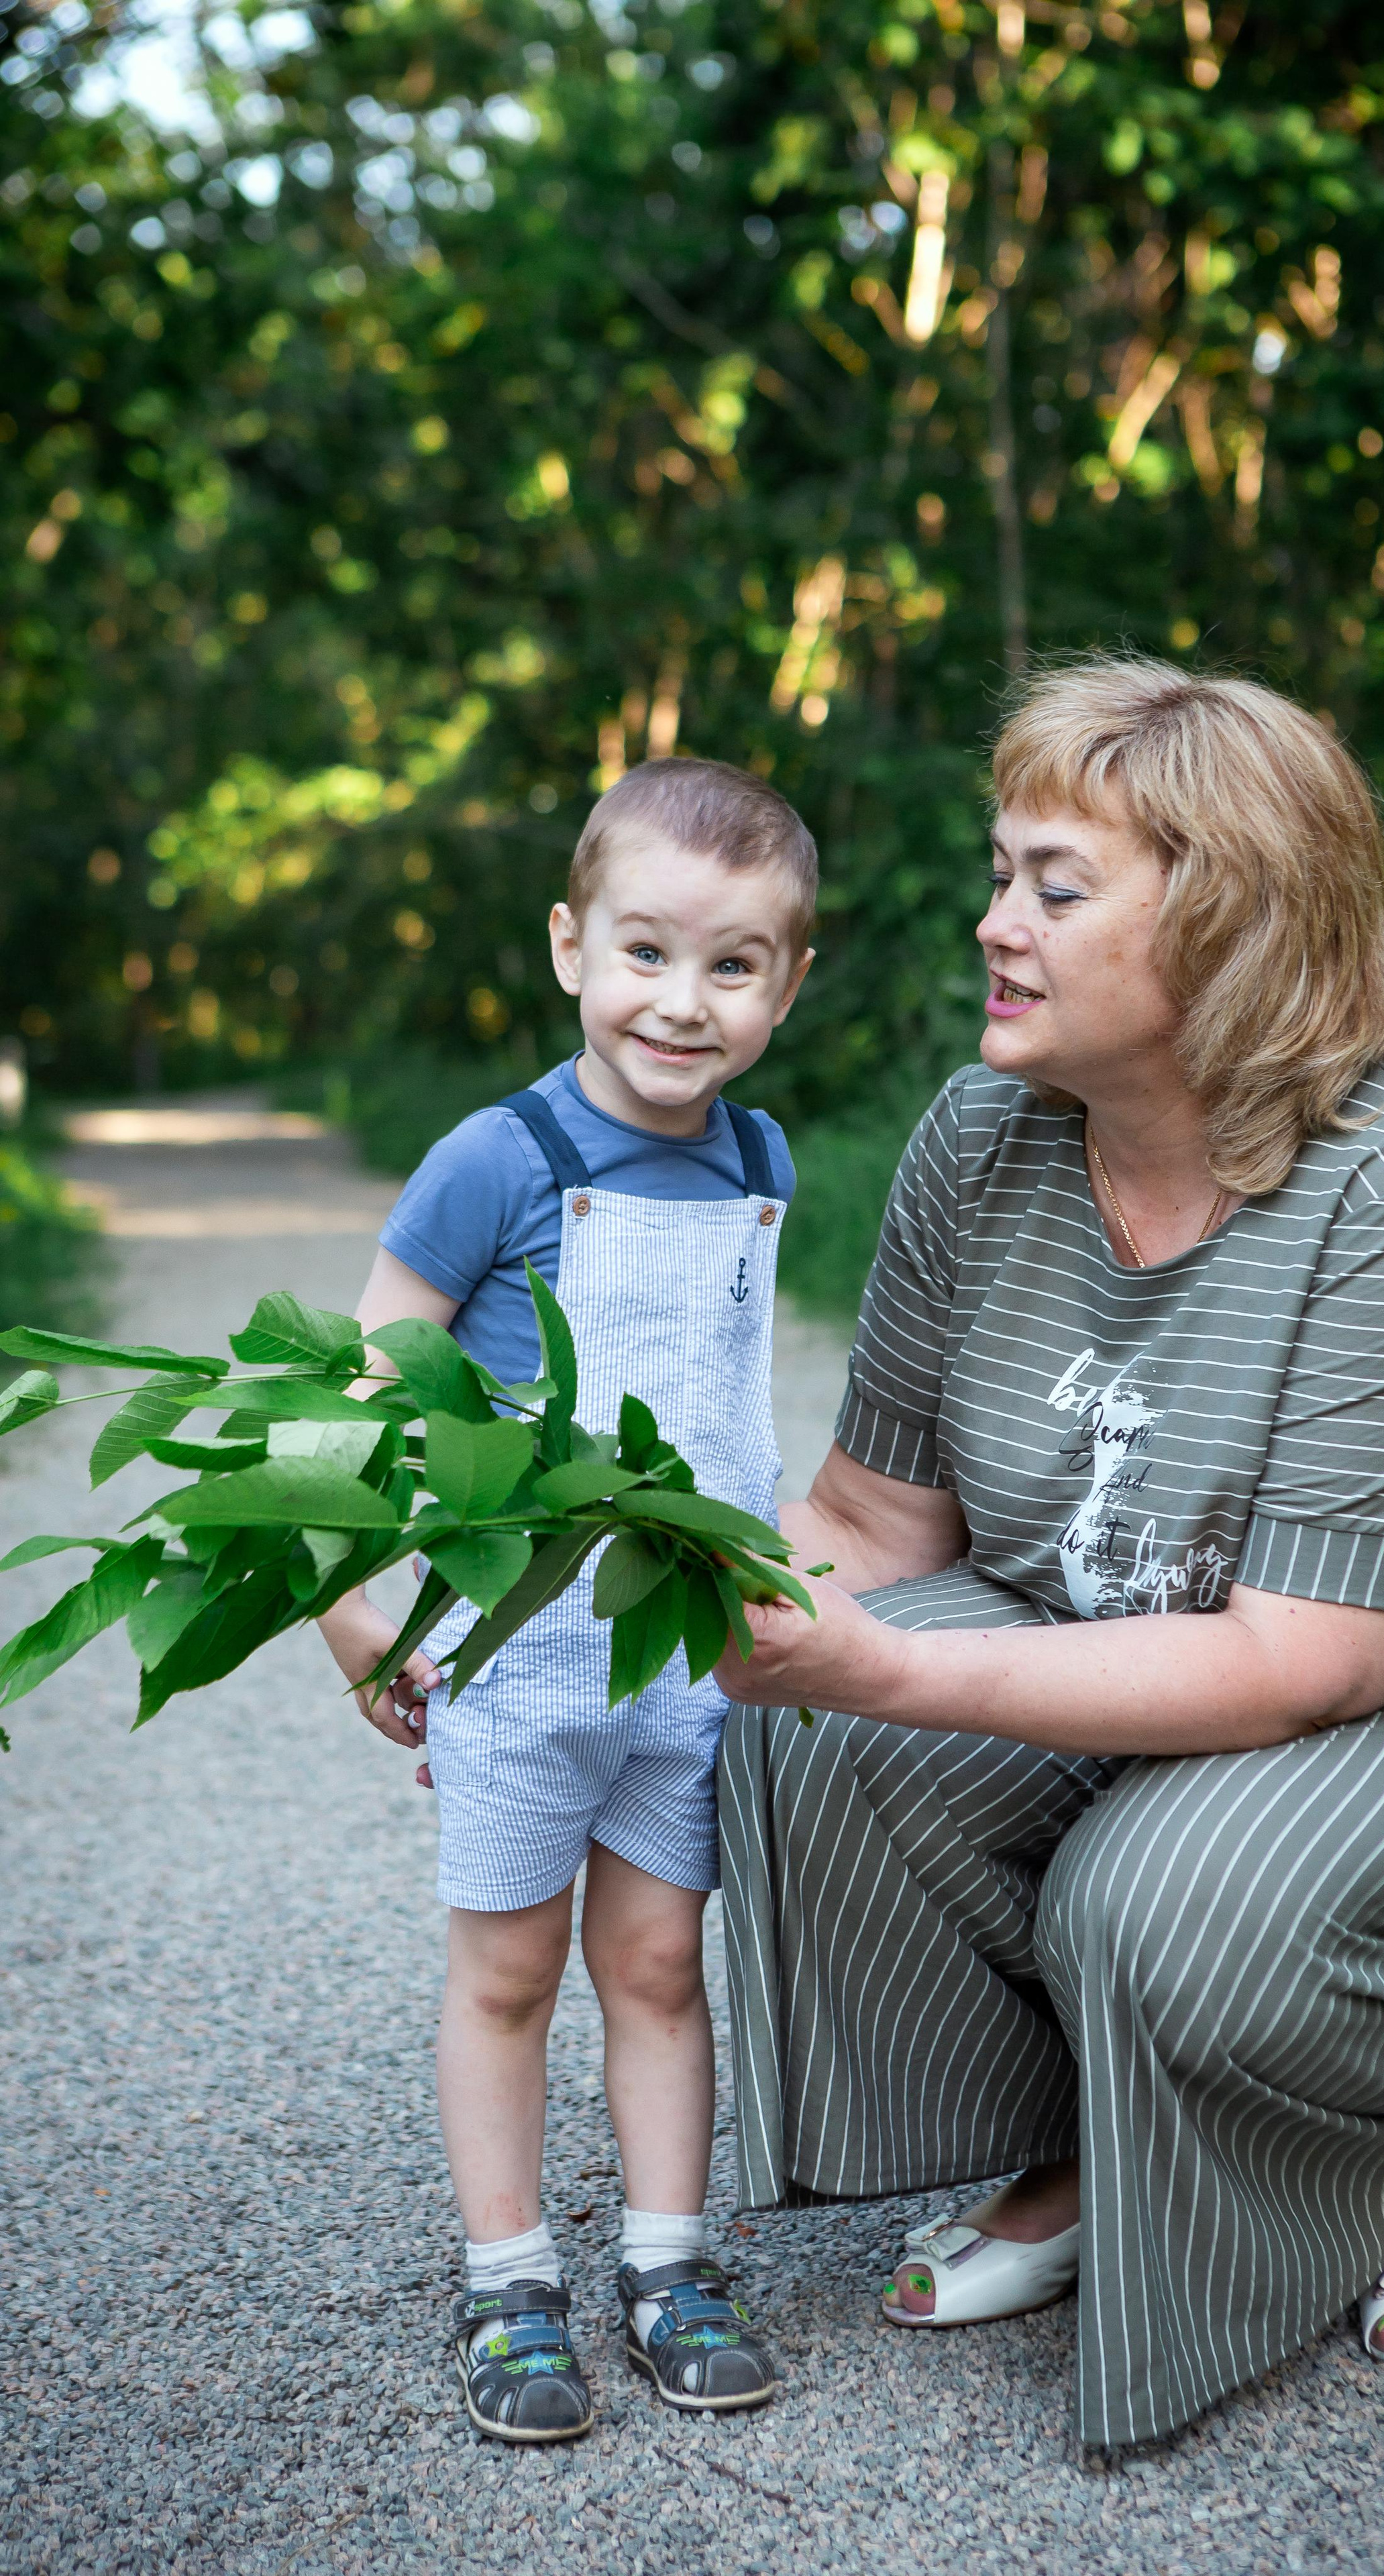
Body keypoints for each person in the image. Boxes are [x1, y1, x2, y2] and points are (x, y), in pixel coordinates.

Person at [710, 657, 1384, 2452]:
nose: (996, 923)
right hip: (1159, 1639)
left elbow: (1313, 1661)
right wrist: (612, 1577)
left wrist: (900, 1664)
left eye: (1054, 887)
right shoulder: (980, 1135)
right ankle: (1104, 2131)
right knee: (808, 1725)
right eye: (1001, 873)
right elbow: (869, 1529)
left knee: (1154, 1893)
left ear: (1232, 917)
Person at [319, 757, 814, 2442]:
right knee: (510, 1970)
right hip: (524, 1652)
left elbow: (730, 1391)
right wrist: (355, 1611)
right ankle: (510, 2280)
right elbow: (358, 1405)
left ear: (787, 982)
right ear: (567, 947)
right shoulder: (496, 1158)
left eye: (732, 964)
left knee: (664, 1962)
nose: (683, 1003)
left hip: (688, 1649)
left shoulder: (760, 1155)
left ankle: (669, 2263)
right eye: (646, 952)